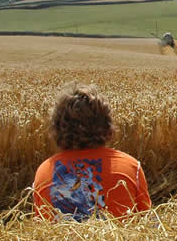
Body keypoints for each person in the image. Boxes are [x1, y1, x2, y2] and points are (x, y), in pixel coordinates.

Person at [33, 84, 151, 221]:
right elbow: (145, 221)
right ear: (107, 124)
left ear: (57, 128)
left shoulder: (44, 172)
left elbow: (41, 224)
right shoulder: (130, 167)